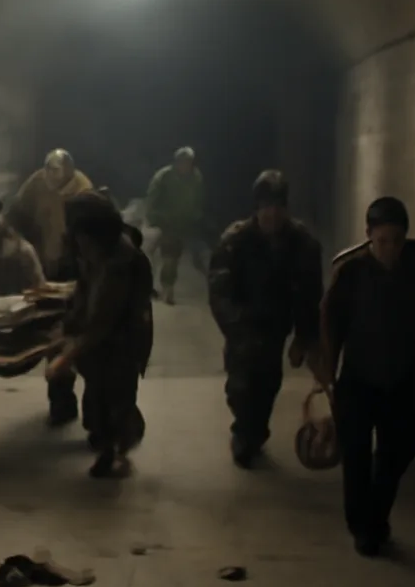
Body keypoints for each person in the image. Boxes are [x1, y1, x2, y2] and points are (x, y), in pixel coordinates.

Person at [318, 197, 415, 557]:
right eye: (382, 241)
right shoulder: (350, 272)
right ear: (368, 237)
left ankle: (377, 516)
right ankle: (364, 527)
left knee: (397, 454)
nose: (389, 249)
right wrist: (327, 377)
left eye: (396, 241)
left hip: (406, 379)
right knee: (357, 456)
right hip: (359, 380)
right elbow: (330, 323)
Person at [208, 170, 323, 468]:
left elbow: (310, 294)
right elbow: (220, 291)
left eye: (278, 206)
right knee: (241, 387)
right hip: (243, 327)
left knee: (267, 384)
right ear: (256, 208)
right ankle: (244, 432)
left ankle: (254, 431)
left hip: (275, 327)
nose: (272, 213)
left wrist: (304, 337)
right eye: (266, 206)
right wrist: (237, 330)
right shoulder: (236, 240)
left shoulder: (302, 243)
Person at [44, 193, 154, 477]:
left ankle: (117, 448)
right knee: (96, 398)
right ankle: (107, 439)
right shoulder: (93, 249)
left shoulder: (120, 260)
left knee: (116, 397)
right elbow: (83, 292)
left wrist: (65, 356)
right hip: (99, 343)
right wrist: (66, 327)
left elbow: (102, 320)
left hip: (122, 341)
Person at [7, 149, 94, 280]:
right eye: (46, 169)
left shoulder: (82, 188)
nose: (48, 174)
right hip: (40, 250)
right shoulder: (38, 180)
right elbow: (17, 209)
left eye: (55, 170)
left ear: (68, 170)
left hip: (70, 254)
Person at [145, 147, 206, 304]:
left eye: (189, 162)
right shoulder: (164, 176)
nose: (186, 165)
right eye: (183, 162)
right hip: (163, 222)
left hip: (183, 223)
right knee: (165, 256)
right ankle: (163, 288)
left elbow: (198, 198)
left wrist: (196, 216)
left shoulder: (196, 177)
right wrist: (154, 217)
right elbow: (152, 198)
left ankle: (166, 285)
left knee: (175, 257)